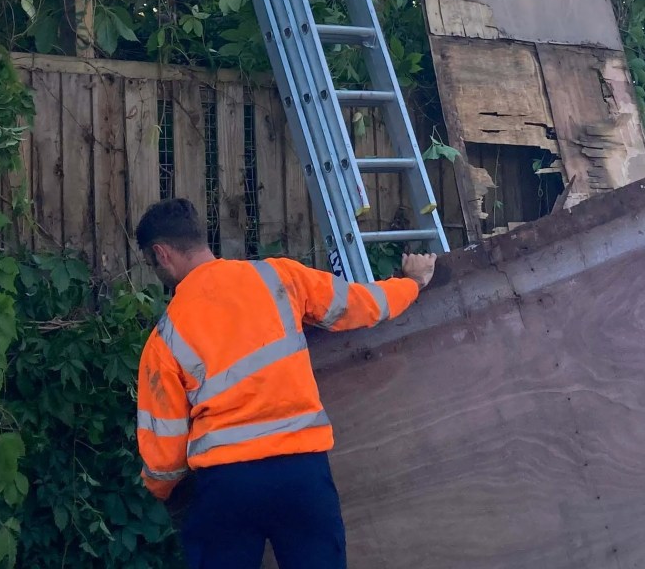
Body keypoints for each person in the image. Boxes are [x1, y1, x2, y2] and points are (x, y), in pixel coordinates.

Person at [133, 197, 437, 569]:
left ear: (162, 253)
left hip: (226, 485)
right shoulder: (278, 277)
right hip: (301, 474)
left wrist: (163, 490)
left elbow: (163, 457)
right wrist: (411, 283)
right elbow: (359, 305)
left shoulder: (164, 338)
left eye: (151, 262)